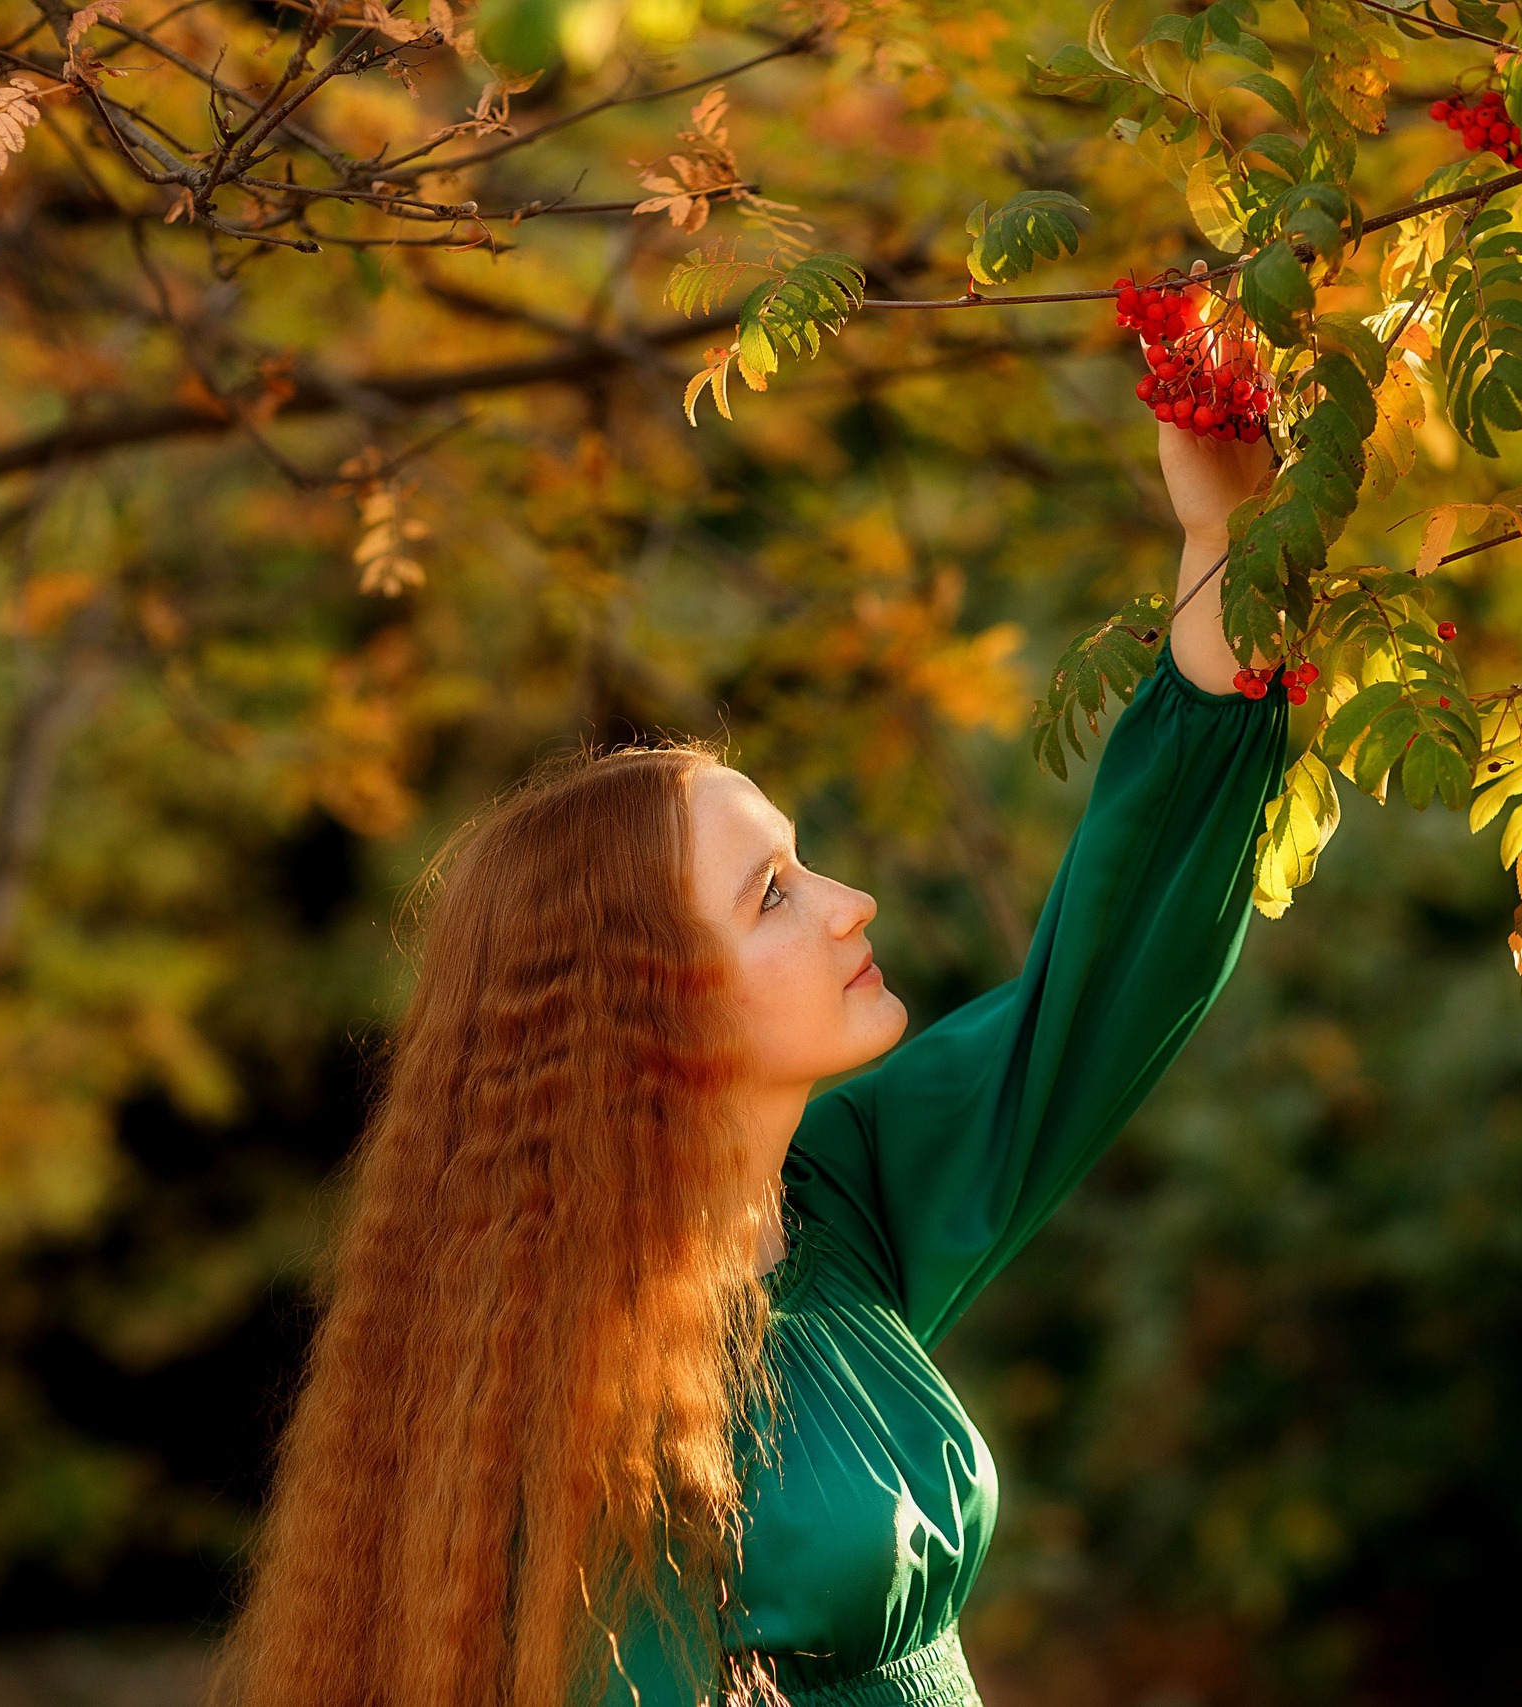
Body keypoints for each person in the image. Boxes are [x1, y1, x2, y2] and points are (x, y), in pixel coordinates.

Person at [213, 393, 1286, 1707]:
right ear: (647, 1014)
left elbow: (1111, 977)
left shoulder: (828, 1199)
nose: (850, 902)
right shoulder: (557, 1382)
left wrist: (1226, 535)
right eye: (773, 893)